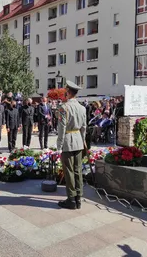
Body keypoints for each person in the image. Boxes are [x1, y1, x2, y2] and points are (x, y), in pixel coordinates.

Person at [56, 80, 87, 210]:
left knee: (69, 171)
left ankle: (71, 199)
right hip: (78, 141)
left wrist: (59, 146)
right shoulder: (82, 108)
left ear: (68, 93)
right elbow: (84, 127)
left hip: (68, 141)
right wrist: (82, 140)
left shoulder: (64, 107)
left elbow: (62, 128)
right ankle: (79, 198)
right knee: (77, 170)